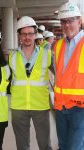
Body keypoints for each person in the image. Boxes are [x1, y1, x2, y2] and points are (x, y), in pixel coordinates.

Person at [9, 16, 52, 150]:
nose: (27, 37)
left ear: (35, 34)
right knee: (22, 146)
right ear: (19, 36)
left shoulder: (47, 54)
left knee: (45, 144)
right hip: (18, 106)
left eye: (30, 33)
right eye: (24, 34)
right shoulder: (12, 56)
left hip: (40, 105)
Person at [54, 2, 84, 150]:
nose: (67, 25)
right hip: (61, 107)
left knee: (75, 147)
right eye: (63, 21)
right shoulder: (58, 45)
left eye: (71, 20)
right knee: (63, 146)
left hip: (81, 108)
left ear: (79, 21)